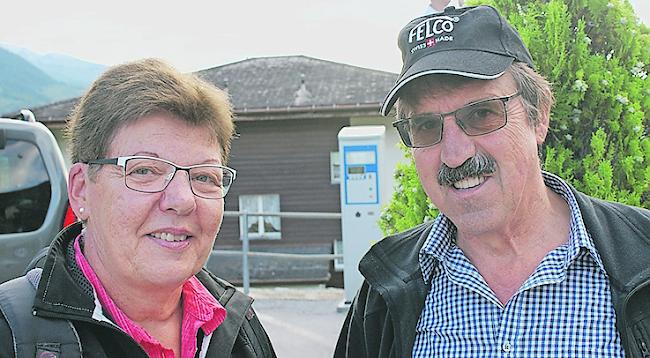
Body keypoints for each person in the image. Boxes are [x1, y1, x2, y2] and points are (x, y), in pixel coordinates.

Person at [335, 5, 650, 358]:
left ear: (539, 117)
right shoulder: (382, 290)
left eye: (482, 114)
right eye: (426, 126)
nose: (455, 155)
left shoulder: (643, 256)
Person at [0, 59, 276, 357]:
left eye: (203, 176)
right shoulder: (11, 335)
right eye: (144, 171)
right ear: (81, 191)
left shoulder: (239, 326)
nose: (183, 200)